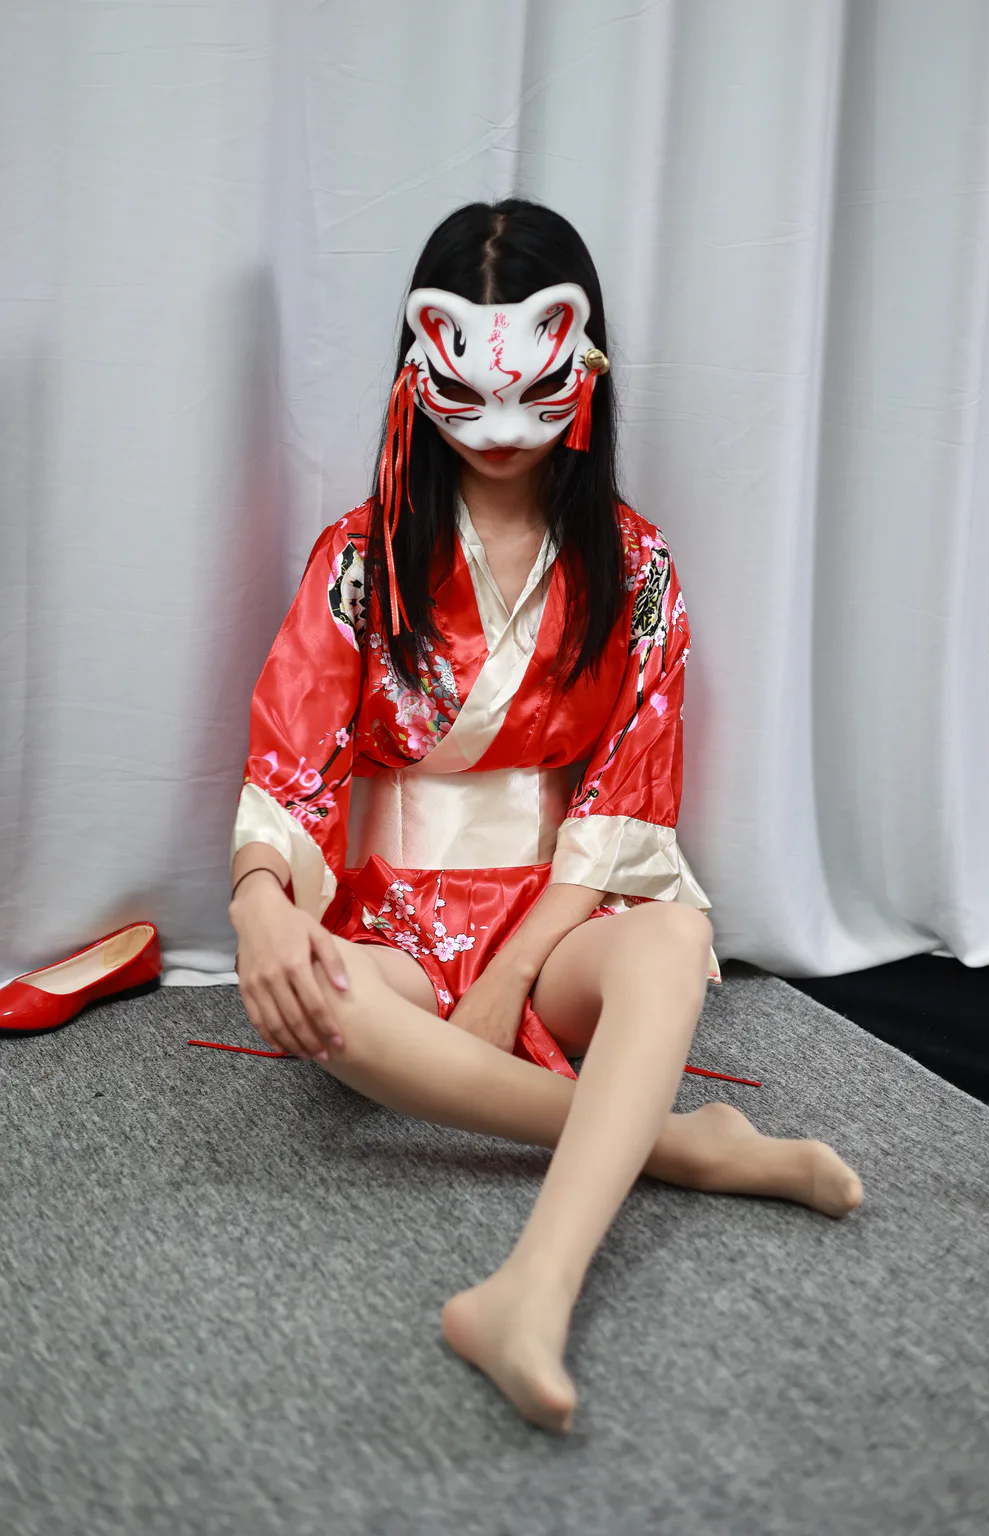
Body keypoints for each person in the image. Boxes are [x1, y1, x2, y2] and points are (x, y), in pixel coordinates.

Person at [228, 199, 863, 1433]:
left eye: (533, 391)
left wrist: (515, 969)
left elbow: (627, 793)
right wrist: (260, 902)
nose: (502, 429)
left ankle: (532, 1290)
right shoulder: (359, 559)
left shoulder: (637, 569)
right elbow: (292, 761)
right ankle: (678, 1143)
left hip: (551, 914)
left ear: (587, 368)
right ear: (417, 373)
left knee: (673, 937)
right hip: (393, 927)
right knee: (332, 1011)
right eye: (465, 394)